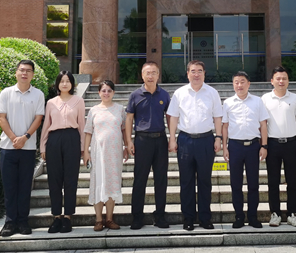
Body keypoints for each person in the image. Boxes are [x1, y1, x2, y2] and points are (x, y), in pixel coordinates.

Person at [167, 60, 223, 231]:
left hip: (206, 140)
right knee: (186, 181)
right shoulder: (179, 93)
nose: (196, 74)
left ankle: (205, 218)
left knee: (205, 181)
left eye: (199, 71)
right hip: (185, 140)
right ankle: (188, 218)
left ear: (204, 73)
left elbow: (218, 117)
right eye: (193, 71)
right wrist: (172, 138)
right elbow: (173, 117)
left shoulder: (212, 93)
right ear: (188, 74)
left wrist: (218, 138)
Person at [0, 59, 45, 237]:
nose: (24, 73)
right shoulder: (6, 93)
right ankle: (10, 223)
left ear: (33, 74)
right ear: (16, 72)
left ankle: (23, 221)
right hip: (7, 148)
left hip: (28, 148)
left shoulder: (38, 94)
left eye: (28, 71)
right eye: (22, 70)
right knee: (9, 187)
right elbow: (1, 118)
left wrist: (25, 138)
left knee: (25, 187)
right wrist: (13, 138)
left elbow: (38, 119)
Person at [125, 61, 171, 230]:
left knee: (161, 179)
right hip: (142, 141)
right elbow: (129, 119)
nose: (150, 76)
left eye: (153, 73)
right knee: (140, 179)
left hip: (160, 140)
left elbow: (170, 117)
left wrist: (172, 138)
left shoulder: (164, 95)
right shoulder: (135, 95)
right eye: (147, 73)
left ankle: (160, 216)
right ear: (142, 75)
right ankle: (137, 217)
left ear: (158, 75)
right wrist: (129, 141)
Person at [40, 71, 86, 234]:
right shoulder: (51, 102)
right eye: (62, 81)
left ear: (72, 84)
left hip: (72, 138)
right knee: (54, 180)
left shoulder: (79, 101)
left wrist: (83, 147)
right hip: (54, 139)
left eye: (68, 81)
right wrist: (43, 146)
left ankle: (67, 217)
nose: (65, 84)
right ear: (57, 84)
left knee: (71, 179)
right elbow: (46, 125)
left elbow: (82, 125)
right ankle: (56, 217)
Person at [222, 71, 269, 229]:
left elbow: (263, 125)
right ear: (233, 84)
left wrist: (264, 146)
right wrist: (225, 147)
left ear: (248, 84)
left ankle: (253, 217)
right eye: (236, 82)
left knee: (253, 184)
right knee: (235, 184)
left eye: (242, 82)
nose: (239, 85)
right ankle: (239, 217)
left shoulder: (257, 101)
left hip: (253, 147)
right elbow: (225, 126)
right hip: (235, 147)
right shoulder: (228, 103)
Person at [261, 66, 296, 228]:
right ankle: (275, 214)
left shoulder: (294, 98)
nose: (281, 81)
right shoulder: (265, 98)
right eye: (278, 79)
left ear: (288, 81)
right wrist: (263, 145)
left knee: (292, 180)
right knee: (273, 181)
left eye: (284, 78)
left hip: (291, 143)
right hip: (272, 144)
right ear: (272, 81)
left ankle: (293, 213)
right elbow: (262, 123)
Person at [83, 80, 128, 232]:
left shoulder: (120, 109)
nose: (106, 93)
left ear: (113, 92)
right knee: (98, 182)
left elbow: (124, 129)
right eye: (103, 90)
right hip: (98, 152)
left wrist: (127, 146)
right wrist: (86, 151)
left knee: (111, 183)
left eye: (109, 90)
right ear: (99, 93)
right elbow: (88, 132)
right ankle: (98, 220)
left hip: (114, 153)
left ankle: (109, 219)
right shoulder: (94, 110)